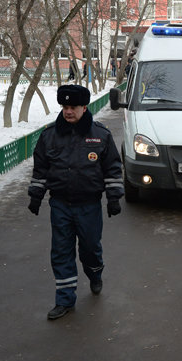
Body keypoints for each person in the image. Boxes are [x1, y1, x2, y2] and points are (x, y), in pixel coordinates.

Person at [27, 84, 124, 320]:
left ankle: (95, 273)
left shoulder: (100, 134)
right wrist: (36, 196)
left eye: (73, 107)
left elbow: (112, 167)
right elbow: (41, 169)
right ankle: (65, 300)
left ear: (84, 107)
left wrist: (113, 198)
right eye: (65, 107)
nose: (68, 111)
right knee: (61, 251)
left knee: (90, 249)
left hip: (89, 206)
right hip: (60, 205)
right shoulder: (50, 136)